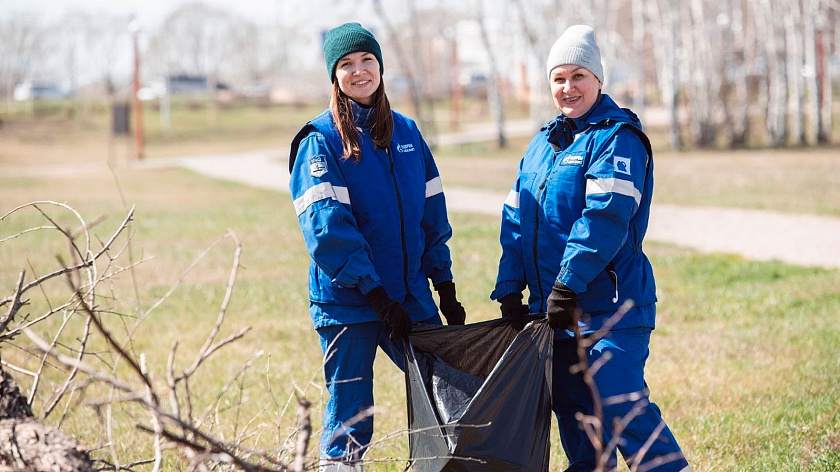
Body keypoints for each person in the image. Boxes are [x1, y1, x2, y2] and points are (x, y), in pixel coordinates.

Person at [490, 25, 691, 472]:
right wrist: (509, 287)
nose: (568, 87)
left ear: (599, 79)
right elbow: (517, 219)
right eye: (559, 78)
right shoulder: (542, 144)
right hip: (555, 314)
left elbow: (605, 218)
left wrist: (567, 283)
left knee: (623, 411)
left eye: (578, 75)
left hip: (609, 309)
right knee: (578, 422)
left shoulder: (618, 137)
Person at [287, 22, 467, 472]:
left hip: (408, 295)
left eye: (367, 60)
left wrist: (443, 283)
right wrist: (374, 293)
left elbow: (431, 215)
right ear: (334, 76)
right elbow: (327, 229)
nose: (359, 71)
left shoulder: (407, 133)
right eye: (346, 65)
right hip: (350, 302)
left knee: (449, 393)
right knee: (352, 411)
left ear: (381, 66)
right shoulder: (319, 141)